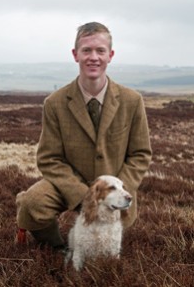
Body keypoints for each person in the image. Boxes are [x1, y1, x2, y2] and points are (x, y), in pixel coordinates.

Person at [16, 22, 152, 251]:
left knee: (102, 250)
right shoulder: (55, 103)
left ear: (110, 55)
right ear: (75, 54)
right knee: (32, 205)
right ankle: (58, 249)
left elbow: (140, 154)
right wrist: (83, 196)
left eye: (100, 51)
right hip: (68, 185)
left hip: (112, 190)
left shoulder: (132, 100)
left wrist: (113, 192)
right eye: (86, 50)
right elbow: (49, 158)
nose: (93, 57)